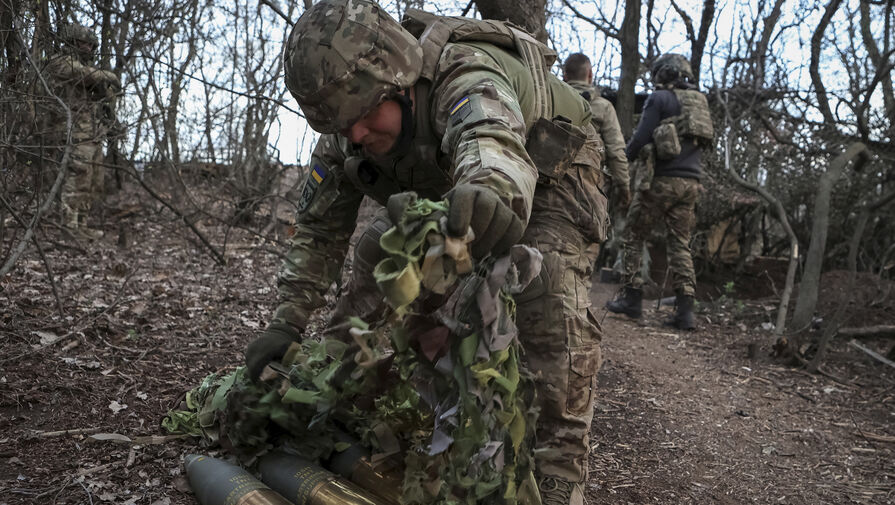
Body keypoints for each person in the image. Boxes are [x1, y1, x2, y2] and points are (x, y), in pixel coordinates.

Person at [244, 2, 608, 503]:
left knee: (544, 281)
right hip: (454, 183)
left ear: (399, 83)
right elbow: (319, 231)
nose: (355, 135)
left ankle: (556, 470)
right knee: (379, 255)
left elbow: (490, 139)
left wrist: (489, 189)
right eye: (339, 124)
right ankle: (351, 403)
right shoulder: (347, 135)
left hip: (552, 175)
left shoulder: (464, 74)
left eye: (366, 113)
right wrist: (286, 324)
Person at [605, 53, 714, 330]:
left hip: (661, 181)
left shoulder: (660, 99)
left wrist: (621, 159)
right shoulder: (698, 102)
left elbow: (641, 137)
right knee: (680, 244)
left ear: (663, 74)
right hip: (691, 184)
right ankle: (685, 311)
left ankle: (631, 298)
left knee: (632, 236)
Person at [45, 23, 120, 240]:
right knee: (76, 177)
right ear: (72, 42)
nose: (88, 48)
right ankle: (69, 227)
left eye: (90, 44)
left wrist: (106, 89)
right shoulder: (58, 62)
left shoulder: (89, 70)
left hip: (93, 133)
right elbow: (79, 73)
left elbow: (108, 96)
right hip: (74, 132)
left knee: (92, 182)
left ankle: (82, 224)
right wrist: (107, 76)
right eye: (83, 43)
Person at [562, 53, 630, 213]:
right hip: (591, 182)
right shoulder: (604, 107)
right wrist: (624, 186)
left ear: (565, 75)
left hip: (552, 179)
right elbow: (616, 151)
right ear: (590, 75)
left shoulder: (550, 97)